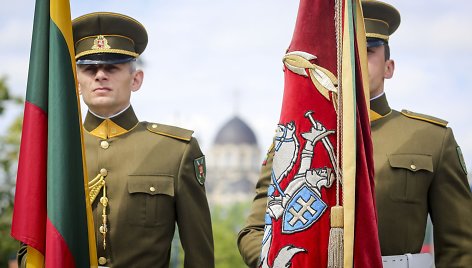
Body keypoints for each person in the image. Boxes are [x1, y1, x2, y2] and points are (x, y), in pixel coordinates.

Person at [237, 1, 472, 267]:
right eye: (347, 54)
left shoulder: (432, 139)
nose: (355, 62)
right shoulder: (296, 140)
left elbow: (459, 248)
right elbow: (254, 231)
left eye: (368, 51)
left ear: (388, 67)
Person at [19, 12, 214, 268]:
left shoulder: (175, 152)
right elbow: (30, 246)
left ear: (136, 79)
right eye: (89, 68)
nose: (100, 75)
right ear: (76, 82)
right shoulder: (51, 150)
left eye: (112, 67)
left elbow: (199, 255)